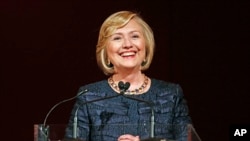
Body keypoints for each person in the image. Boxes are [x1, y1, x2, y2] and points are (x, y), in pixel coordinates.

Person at [64, 10, 192, 141]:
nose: (127, 44)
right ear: (106, 52)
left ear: (146, 45)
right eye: (117, 38)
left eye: (135, 36)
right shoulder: (89, 96)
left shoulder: (171, 94)